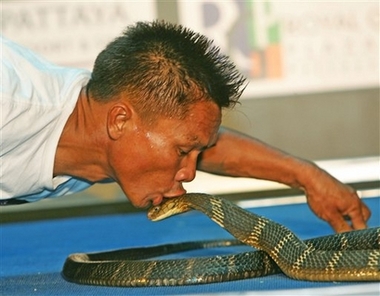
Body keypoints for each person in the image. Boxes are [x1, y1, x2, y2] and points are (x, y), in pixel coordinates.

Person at [1, 20, 370, 233]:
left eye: (194, 153)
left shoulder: (101, 126)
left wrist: (308, 177)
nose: (190, 172)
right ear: (120, 121)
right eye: (182, 152)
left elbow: (214, 148)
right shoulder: (11, 104)